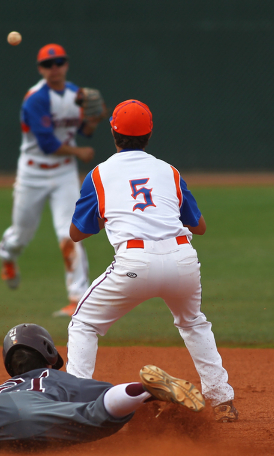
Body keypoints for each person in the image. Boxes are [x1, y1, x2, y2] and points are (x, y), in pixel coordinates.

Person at [66, 99, 238, 423]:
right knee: (193, 323)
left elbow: (76, 233)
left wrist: (109, 215)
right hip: (182, 259)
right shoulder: (168, 171)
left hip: (135, 262)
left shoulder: (99, 175)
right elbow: (199, 227)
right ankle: (222, 399)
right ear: (150, 133)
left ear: (113, 132)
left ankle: (77, 406)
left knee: (84, 324)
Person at [0, 323, 205, 451]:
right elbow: (105, 398)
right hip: (52, 418)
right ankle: (146, 388)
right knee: (98, 412)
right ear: (49, 353)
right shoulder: (61, 379)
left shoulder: (1, 389)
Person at [0, 43, 106, 317]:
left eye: (59, 62)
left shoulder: (74, 94)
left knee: (69, 232)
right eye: (48, 64)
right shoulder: (35, 99)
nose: (54, 68)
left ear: (66, 64)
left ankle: (77, 297)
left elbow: (85, 129)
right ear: (40, 69)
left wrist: (95, 118)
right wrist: (79, 150)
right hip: (33, 172)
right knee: (21, 235)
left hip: (64, 173)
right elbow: (46, 143)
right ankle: (7, 254)